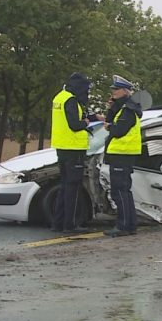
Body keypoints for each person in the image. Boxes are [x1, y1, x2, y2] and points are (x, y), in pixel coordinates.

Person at [50, 72, 102, 233]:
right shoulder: (71, 100)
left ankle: (58, 223)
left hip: (62, 148)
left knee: (65, 187)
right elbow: (75, 124)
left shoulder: (60, 97)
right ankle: (71, 225)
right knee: (73, 188)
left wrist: (93, 117)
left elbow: (71, 118)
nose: (85, 93)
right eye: (85, 90)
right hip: (74, 149)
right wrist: (86, 122)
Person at [103, 75, 143, 237]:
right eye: (113, 89)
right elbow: (111, 121)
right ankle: (129, 225)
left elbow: (119, 131)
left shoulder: (128, 109)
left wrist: (109, 127)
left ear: (125, 91)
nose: (113, 92)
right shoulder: (122, 108)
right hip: (121, 154)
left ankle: (124, 226)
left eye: (116, 89)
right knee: (123, 191)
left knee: (119, 191)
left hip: (122, 153)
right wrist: (110, 109)